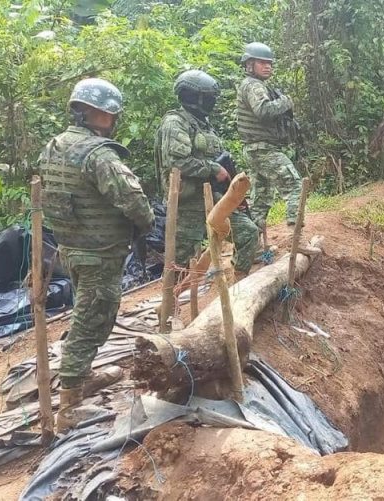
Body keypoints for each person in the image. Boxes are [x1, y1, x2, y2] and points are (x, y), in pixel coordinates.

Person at [38, 78, 154, 432]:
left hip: (71, 248)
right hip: (98, 252)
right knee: (93, 320)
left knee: (87, 312)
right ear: (91, 113)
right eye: (106, 113)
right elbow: (134, 201)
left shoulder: (55, 146)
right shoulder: (99, 155)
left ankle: (82, 376)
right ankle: (69, 405)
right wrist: (146, 223)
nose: (111, 119)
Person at [156, 69, 259, 276]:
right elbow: (177, 162)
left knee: (248, 232)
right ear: (195, 97)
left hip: (213, 198)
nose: (212, 102)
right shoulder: (175, 122)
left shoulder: (204, 125)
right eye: (209, 97)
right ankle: (175, 305)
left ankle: (239, 288)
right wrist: (213, 168)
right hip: (186, 204)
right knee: (181, 265)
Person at [236, 42, 302, 230]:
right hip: (262, 149)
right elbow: (263, 110)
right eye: (262, 62)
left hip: (256, 149)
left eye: (269, 63)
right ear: (249, 65)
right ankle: (295, 237)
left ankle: (254, 246)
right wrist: (285, 102)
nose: (268, 66)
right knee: (294, 185)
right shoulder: (253, 85)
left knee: (261, 200)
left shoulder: (253, 85)